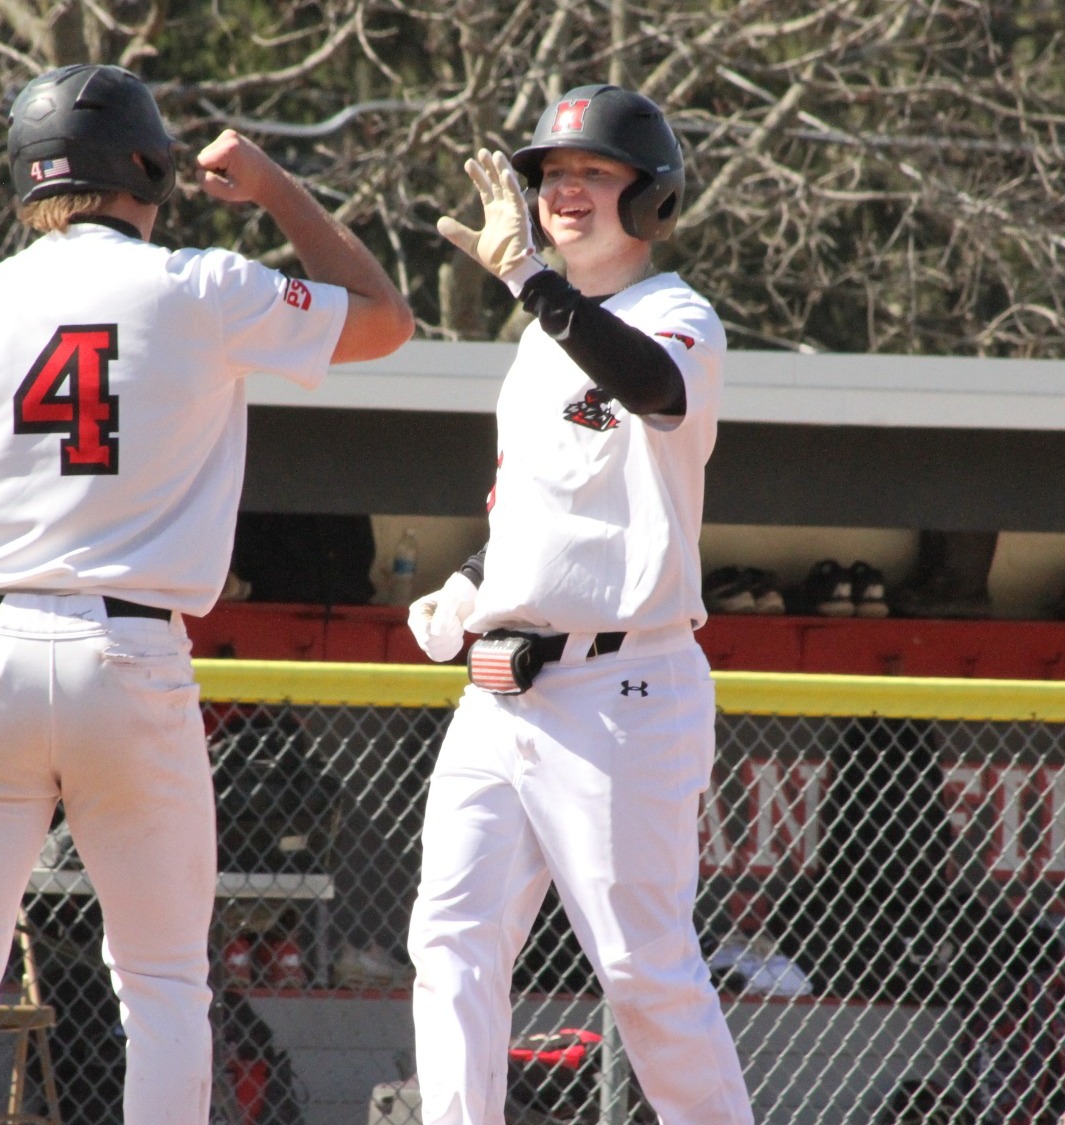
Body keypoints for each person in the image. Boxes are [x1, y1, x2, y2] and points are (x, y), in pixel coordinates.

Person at [0, 64, 410, 1124]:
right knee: (158, 984)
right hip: (128, 656)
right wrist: (276, 187)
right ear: (145, 169)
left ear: (25, 180)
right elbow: (383, 319)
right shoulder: (202, 285)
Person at [405, 85, 754, 1123]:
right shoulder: (533, 340)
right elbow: (543, 503)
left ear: (649, 200)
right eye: (551, 174)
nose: (562, 190)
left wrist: (522, 276)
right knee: (450, 939)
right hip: (504, 681)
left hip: (622, 686)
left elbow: (645, 383)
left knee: (642, 970)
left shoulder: (676, 316)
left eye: (592, 173)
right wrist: (471, 582)